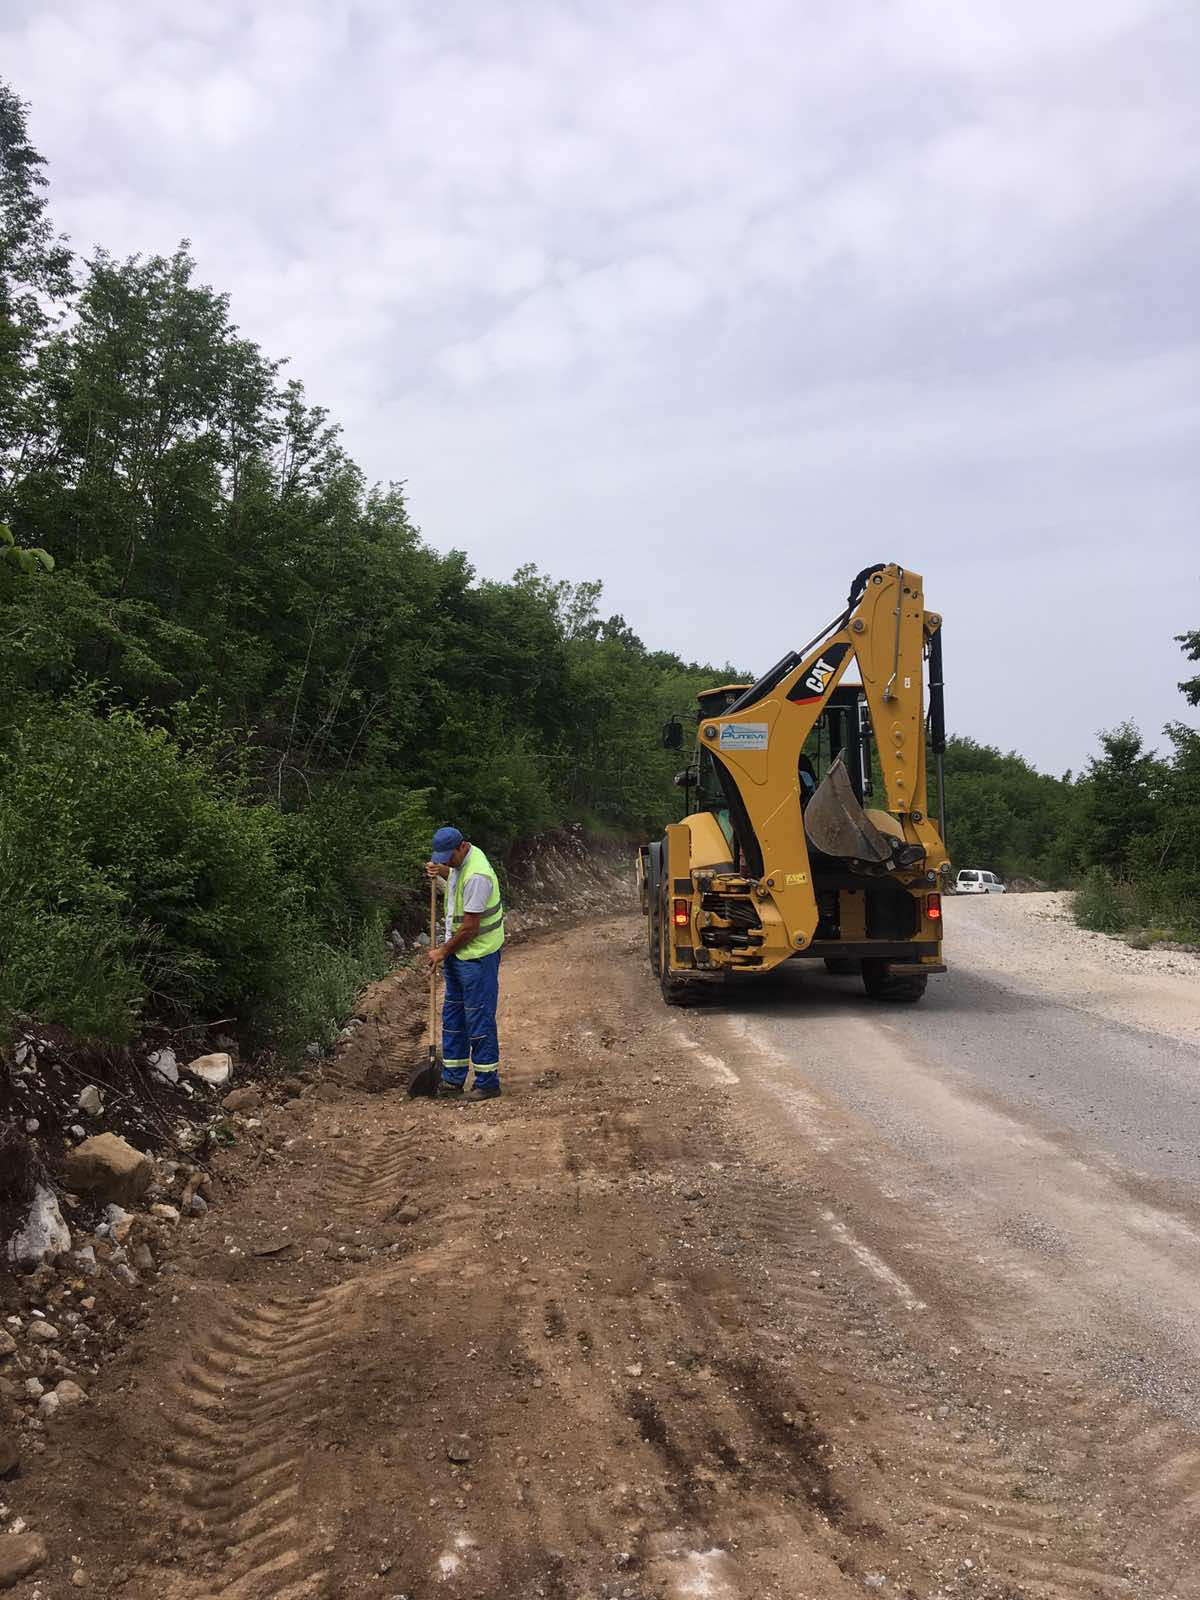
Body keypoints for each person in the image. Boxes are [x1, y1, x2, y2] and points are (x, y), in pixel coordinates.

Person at [425, 826, 505, 1101]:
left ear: (463, 846)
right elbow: (455, 876)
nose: (447, 862)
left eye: (449, 858)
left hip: (478, 956)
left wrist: (442, 952)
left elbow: (470, 928)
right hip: (459, 955)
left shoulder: (477, 875)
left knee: (478, 1017)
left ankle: (487, 1082)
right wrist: (441, 871)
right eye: (442, 858)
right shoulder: (460, 864)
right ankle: (452, 1079)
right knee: (454, 1017)